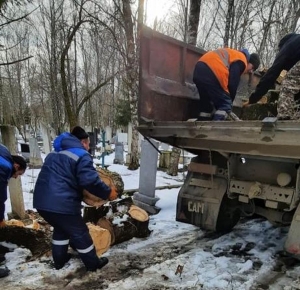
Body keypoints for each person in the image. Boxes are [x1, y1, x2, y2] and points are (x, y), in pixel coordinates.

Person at [33, 126, 117, 271]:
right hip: (62, 204)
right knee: (80, 233)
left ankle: (59, 260)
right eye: (88, 143)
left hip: (42, 203)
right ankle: (93, 264)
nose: (89, 147)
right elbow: (89, 181)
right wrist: (108, 192)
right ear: (83, 142)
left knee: (61, 229)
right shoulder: (81, 155)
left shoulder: (54, 154)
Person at [193, 47, 260, 120]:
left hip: (199, 70)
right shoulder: (242, 59)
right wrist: (229, 102)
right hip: (213, 71)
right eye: (252, 67)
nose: (251, 71)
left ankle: (201, 126)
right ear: (249, 61)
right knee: (225, 105)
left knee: (206, 105)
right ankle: (214, 129)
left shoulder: (234, 54)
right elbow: (232, 83)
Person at [244, 33, 300, 120]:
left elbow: (271, 75)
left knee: (288, 84)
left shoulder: (286, 48)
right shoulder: (295, 44)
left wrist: (253, 99)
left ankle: (284, 119)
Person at [0, 144, 27, 278]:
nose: (16, 177)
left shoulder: (4, 151)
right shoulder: (4, 168)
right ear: (16, 166)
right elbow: (0, 197)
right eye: (18, 174)